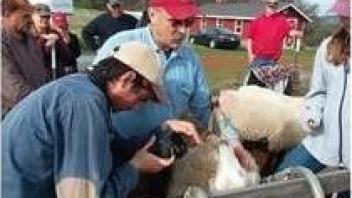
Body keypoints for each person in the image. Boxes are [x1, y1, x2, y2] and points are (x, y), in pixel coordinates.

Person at [2, 41, 202, 198]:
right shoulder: (84, 106)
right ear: (127, 79)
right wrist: (135, 168)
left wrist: (162, 129)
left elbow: (113, 145)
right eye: (141, 99)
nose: (137, 107)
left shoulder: (82, 88)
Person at [93, 0, 211, 155]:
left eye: (188, 22)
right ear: (153, 14)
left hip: (170, 153)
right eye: (175, 22)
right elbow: (94, 98)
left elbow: (201, 108)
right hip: (121, 153)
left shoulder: (191, 60)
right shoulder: (120, 45)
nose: (183, 30)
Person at [275, 0, 350, 196]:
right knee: (279, 182)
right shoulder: (328, 48)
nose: (346, 19)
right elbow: (318, 92)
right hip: (322, 141)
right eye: (344, 14)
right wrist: (313, 112)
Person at [2, 0, 49, 117]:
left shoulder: (29, 38)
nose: (30, 19)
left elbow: (41, 73)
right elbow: (14, 90)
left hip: (35, 107)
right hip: (13, 114)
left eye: (30, 15)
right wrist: (45, 105)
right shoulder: (2, 43)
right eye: (25, 16)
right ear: (8, 14)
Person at [245, 0, 302, 93]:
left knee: (270, 90)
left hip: (273, 61)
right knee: (252, 88)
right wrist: (250, 54)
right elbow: (249, 38)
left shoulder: (282, 21)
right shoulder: (257, 21)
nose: (272, 6)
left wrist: (296, 34)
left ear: (277, 6)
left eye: (275, 4)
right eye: (270, 4)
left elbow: (289, 36)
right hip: (258, 59)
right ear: (266, 5)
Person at [31, 4, 78, 79]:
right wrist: (44, 42)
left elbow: (67, 59)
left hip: (54, 77)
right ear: (33, 17)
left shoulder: (54, 34)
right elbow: (35, 59)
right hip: (35, 78)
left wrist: (61, 43)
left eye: (47, 17)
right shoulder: (28, 35)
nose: (45, 19)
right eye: (42, 16)